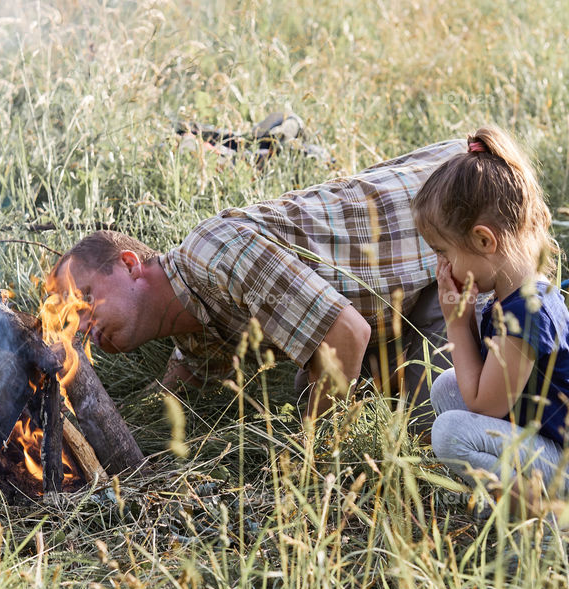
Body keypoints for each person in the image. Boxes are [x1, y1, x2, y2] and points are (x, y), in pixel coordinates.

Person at [46, 138, 468, 422]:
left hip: (454, 221)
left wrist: (309, 455)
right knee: (322, 387)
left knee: (427, 421)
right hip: (395, 304)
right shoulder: (191, 322)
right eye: (68, 317)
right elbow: (184, 378)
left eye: (83, 300)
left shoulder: (213, 253)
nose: (79, 326)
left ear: (129, 264)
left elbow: (347, 333)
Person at [412, 125, 569, 515]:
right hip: (556, 444)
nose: (441, 266)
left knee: (449, 434)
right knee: (447, 388)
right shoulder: (512, 291)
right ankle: (506, 492)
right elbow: (480, 391)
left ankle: (553, 527)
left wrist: (457, 323)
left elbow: (485, 408)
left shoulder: (527, 312)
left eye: (443, 252)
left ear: (484, 241)